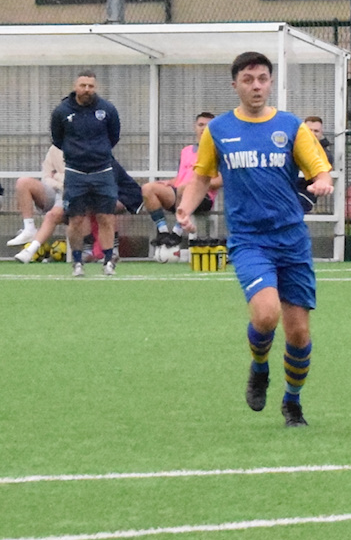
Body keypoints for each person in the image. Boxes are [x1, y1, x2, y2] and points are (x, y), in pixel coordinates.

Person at [183, 52, 335, 426]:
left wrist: (323, 181)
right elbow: (202, 176)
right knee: (267, 315)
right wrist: (185, 207)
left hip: (292, 240)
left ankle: (292, 401)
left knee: (298, 332)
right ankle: (260, 367)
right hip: (249, 239)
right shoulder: (218, 130)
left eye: (263, 79)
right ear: (235, 84)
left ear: (270, 83)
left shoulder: (290, 126)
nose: (256, 86)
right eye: (248, 79)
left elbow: (319, 168)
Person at [51, 70, 126, 277]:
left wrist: (97, 153)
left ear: (95, 87)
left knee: (105, 217)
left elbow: (114, 136)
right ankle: (77, 262)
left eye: (91, 86)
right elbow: (57, 139)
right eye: (83, 85)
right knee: (75, 219)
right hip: (75, 172)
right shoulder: (62, 111)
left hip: (102, 170)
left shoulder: (107, 109)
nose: (87, 90)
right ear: (76, 86)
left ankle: (108, 261)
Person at [142, 112, 217, 243]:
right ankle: (163, 232)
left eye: (208, 125)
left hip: (202, 197)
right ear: (195, 127)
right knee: (148, 188)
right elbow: (181, 176)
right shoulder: (186, 151)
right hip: (179, 194)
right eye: (200, 125)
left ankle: (177, 234)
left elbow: (220, 180)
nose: (203, 128)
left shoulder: (217, 150)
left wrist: (195, 185)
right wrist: (170, 182)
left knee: (185, 189)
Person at [9, 143, 68, 258]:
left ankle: (31, 250)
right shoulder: (54, 149)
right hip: (56, 189)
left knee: (52, 215)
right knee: (23, 182)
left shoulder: (85, 146)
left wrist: (57, 176)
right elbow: (46, 177)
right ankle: (29, 228)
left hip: (71, 192)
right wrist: (58, 181)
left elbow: (74, 177)